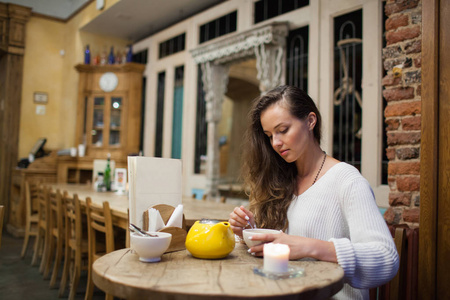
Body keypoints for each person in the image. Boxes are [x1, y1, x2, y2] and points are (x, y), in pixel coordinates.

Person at [228, 85, 399, 300]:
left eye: (283, 130)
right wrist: (250, 231)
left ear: (310, 121)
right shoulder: (281, 181)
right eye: (269, 135)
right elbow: (284, 255)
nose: (276, 143)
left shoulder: (347, 180)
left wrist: (309, 246)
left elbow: (386, 259)